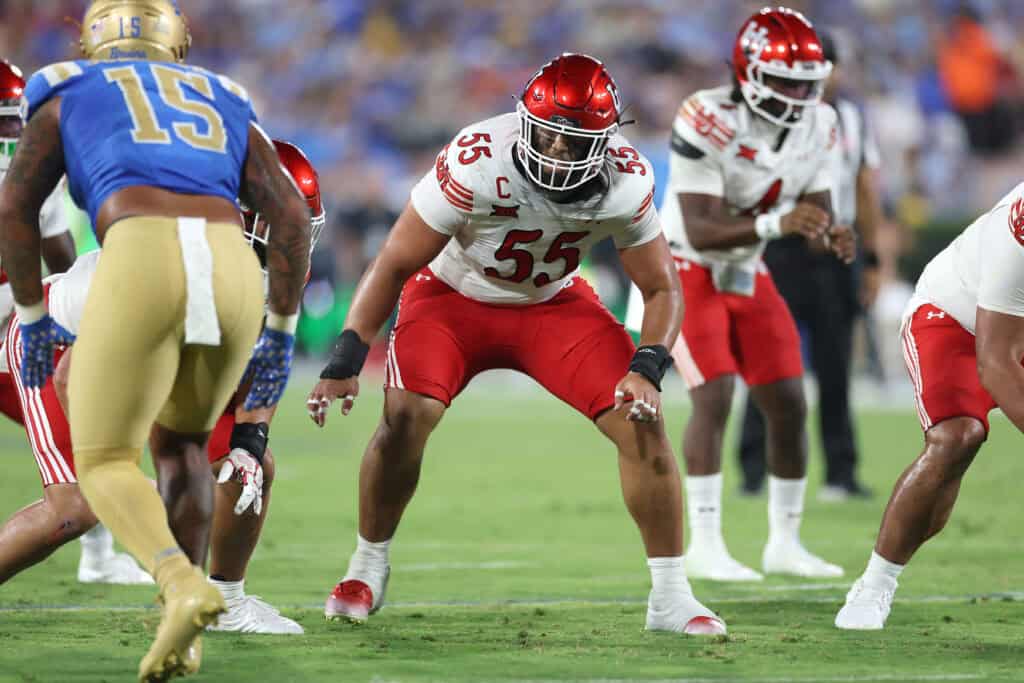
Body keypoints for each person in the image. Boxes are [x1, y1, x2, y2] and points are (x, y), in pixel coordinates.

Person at [308, 53, 726, 636]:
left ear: (604, 142)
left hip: (552, 305)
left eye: (574, 140)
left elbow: (662, 286)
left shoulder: (625, 180)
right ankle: (366, 565)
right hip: (453, 298)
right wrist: (345, 359)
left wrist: (648, 367)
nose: (557, 152)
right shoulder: (478, 158)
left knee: (643, 422)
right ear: (524, 122)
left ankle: (671, 595)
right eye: (549, 135)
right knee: (407, 414)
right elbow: (396, 261)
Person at [0, 1, 310, 679]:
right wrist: (282, 335)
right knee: (185, 449)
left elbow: (15, 208)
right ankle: (187, 625)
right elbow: (290, 216)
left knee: (108, 461)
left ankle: (178, 581)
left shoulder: (66, 85)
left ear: (92, 43)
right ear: (176, 45)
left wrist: (28, 316)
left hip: (137, 249)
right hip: (232, 263)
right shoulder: (222, 94)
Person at [625, 7, 852, 582]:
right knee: (716, 391)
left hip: (746, 267)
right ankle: (703, 543)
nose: (798, 92)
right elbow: (701, 226)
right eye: (785, 79)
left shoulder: (822, 122)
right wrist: (782, 224)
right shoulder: (706, 114)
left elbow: (818, 201)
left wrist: (829, 229)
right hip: (684, 264)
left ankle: (785, 542)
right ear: (749, 72)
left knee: (789, 398)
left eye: (806, 79)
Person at [835, 181, 1024, 629]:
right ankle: (876, 583)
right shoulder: (1018, 225)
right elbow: (998, 362)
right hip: (955, 319)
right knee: (957, 436)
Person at [0, 59, 148, 585]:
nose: (12, 133)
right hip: (30, 336)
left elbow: (63, 266)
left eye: (14, 120)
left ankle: (99, 553)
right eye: (3, 122)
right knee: (79, 480)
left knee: (76, 483)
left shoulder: (42, 176)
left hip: (25, 333)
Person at [734, 30, 882, 501]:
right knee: (767, 361)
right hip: (785, 249)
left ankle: (841, 472)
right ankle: (753, 470)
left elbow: (863, 186)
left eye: (829, 65)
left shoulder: (853, 118)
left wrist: (872, 257)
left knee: (837, 365)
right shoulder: (773, 115)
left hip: (836, 255)